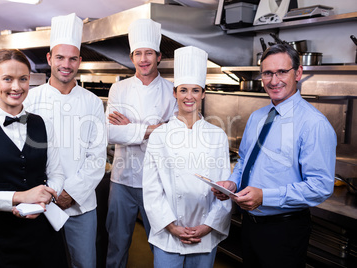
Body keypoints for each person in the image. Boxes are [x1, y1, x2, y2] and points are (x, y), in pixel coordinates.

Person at [213, 43, 337, 268]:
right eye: (267, 73)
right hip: (250, 225)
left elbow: (320, 186)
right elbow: (243, 160)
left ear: (298, 73)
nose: (273, 80)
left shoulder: (314, 124)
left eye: (282, 71)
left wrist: (265, 197)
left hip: (284, 231)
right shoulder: (257, 117)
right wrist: (233, 183)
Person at [0, 49, 68, 267]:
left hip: (44, 237)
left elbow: (57, 174)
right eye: (7, 79)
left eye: (23, 79)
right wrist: (17, 198)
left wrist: (44, 198)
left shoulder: (43, 125)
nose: (16, 87)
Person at [23, 13, 107, 268]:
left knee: (85, 263)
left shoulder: (92, 102)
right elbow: (21, 152)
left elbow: (98, 155)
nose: (66, 64)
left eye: (72, 58)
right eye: (60, 57)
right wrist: (45, 193)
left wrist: (70, 192)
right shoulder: (30, 99)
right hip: (40, 202)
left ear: (80, 61)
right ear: (49, 58)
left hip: (80, 205)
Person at [142, 46, 232, 268]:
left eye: (195, 90)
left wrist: (208, 226)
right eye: (183, 90)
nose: (189, 97)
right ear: (175, 93)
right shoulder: (160, 136)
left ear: (203, 93)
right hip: (168, 234)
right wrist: (171, 226)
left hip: (205, 234)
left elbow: (224, 190)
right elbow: (151, 188)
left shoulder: (217, 135)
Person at [105, 18, 177, 267]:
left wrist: (131, 130)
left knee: (161, 244)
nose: (143, 59)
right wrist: (155, 129)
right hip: (122, 181)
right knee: (117, 243)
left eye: (149, 53)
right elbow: (111, 134)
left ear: (158, 56)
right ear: (131, 57)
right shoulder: (119, 89)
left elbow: (175, 138)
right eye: (138, 53)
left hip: (158, 181)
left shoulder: (173, 90)